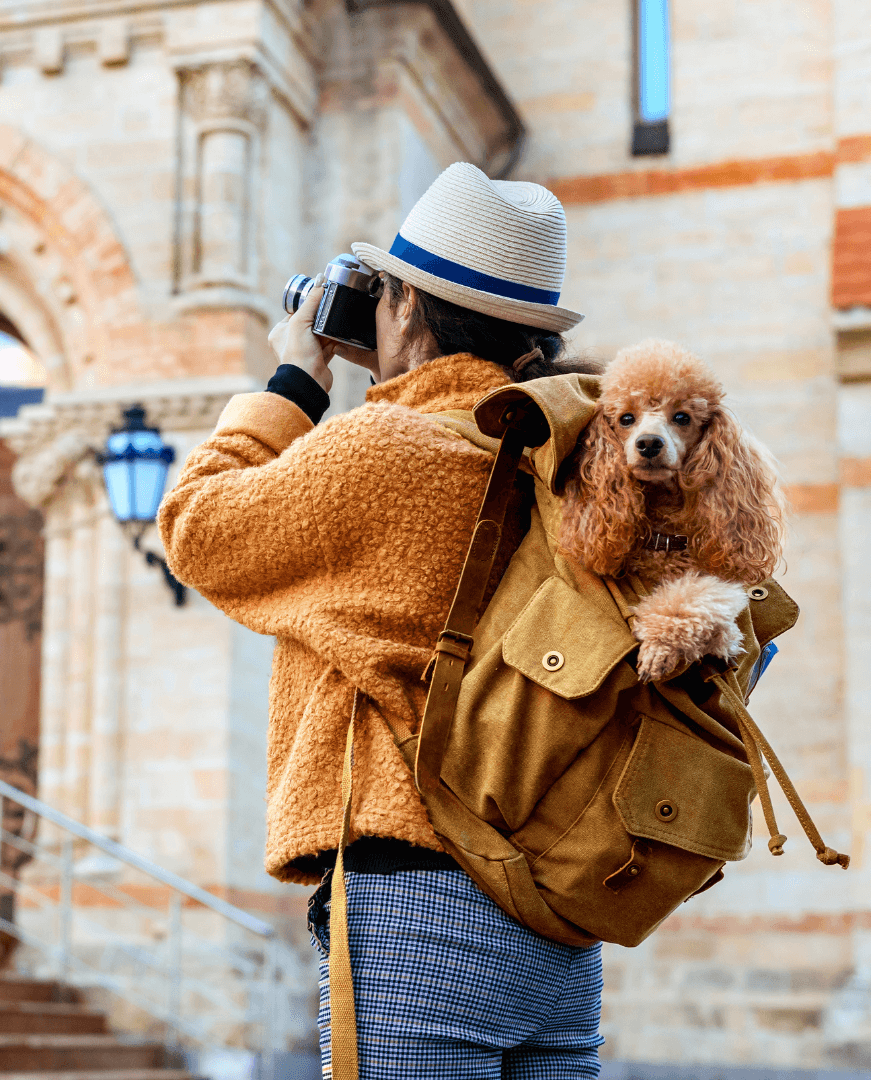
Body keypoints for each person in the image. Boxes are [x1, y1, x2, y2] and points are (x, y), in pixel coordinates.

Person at [158, 162, 605, 1079]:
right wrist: (405, 370)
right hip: (556, 915)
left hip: (419, 903)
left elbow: (197, 527)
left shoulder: (384, 446)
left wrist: (297, 371)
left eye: (389, 296)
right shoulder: (566, 454)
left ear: (404, 307)